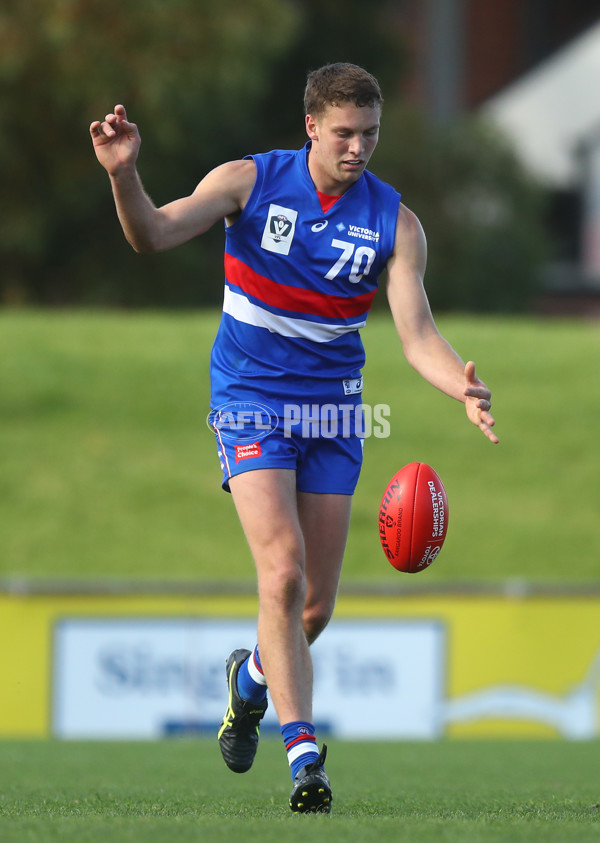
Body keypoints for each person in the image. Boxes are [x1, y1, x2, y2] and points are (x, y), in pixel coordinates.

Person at [90, 62, 498, 814]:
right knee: (280, 572)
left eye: (371, 134)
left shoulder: (395, 222)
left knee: (311, 609)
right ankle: (305, 757)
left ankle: (249, 684)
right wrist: (124, 175)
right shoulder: (249, 181)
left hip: (335, 412)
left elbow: (417, 335)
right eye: (344, 133)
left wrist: (461, 386)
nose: (359, 149)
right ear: (311, 126)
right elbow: (151, 234)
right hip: (249, 401)